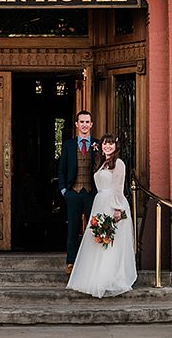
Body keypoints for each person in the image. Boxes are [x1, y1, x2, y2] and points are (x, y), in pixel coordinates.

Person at [66, 133, 137, 299]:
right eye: (105, 144)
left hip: (113, 203)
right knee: (98, 241)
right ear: (101, 146)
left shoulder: (118, 164)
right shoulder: (101, 163)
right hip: (100, 203)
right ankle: (95, 276)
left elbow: (118, 187)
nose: (108, 146)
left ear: (115, 146)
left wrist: (118, 209)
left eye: (111, 144)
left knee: (111, 242)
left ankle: (110, 278)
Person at [57, 109, 99, 273]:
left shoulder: (97, 145)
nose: (84, 125)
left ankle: (92, 262)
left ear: (91, 124)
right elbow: (61, 170)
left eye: (87, 122)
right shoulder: (68, 145)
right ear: (76, 124)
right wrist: (64, 191)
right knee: (73, 229)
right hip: (73, 192)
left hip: (91, 193)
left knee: (93, 228)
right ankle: (71, 262)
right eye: (81, 122)